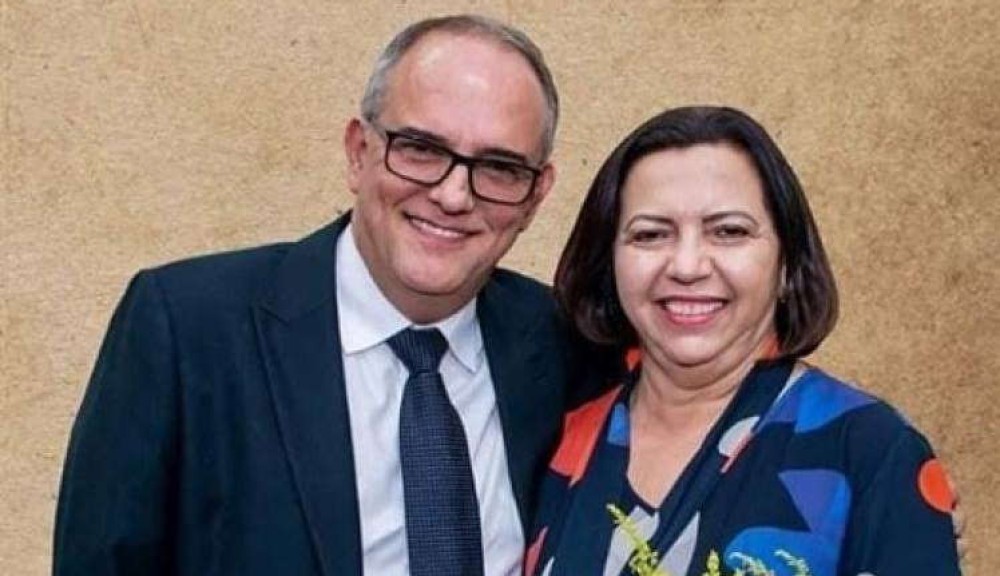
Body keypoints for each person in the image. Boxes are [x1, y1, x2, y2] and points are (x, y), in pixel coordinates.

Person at [54, 15, 579, 576]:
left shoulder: (568, 343)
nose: (453, 195)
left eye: (499, 168)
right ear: (358, 151)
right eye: (421, 148)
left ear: (535, 196)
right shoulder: (186, 329)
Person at [526, 106, 961, 576]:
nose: (687, 266)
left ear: (786, 261)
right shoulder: (557, 440)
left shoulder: (869, 451)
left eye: (729, 232)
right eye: (651, 234)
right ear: (609, 260)